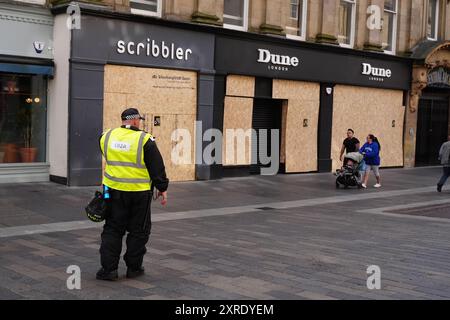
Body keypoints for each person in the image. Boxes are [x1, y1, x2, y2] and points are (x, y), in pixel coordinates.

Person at [96, 108, 169, 281]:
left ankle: (109, 270)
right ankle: (134, 268)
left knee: (112, 229)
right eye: (139, 120)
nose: (140, 123)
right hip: (139, 192)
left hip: (110, 190)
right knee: (139, 231)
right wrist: (162, 187)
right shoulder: (145, 139)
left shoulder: (106, 136)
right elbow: (156, 166)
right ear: (135, 120)